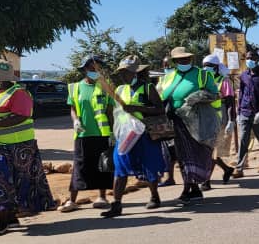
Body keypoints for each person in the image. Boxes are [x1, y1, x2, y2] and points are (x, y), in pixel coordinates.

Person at [0, 58, 56, 234]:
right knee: (2, 183)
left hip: (18, 147)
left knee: (7, 184)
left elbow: (20, 117)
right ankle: (11, 219)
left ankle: (3, 221)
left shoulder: (19, 93)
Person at [101, 57, 165, 217]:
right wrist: (112, 132)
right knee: (120, 166)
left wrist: (135, 108)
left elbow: (160, 109)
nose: (123, 76)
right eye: (121, 72)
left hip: (144, 134)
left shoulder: (147, 88)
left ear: (135, 72)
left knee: (149, 165)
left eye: (126, 72)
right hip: (125, 134)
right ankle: (116, 204)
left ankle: (154, 195)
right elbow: (114, 112)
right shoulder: (120, 90)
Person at [159, 46, 220, 204]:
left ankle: (189, 188)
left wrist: (197, 97)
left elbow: (214, 94)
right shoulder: (168, 77)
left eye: (186, 58)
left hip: (196, 122)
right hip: (176, 121)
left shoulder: (202, 74)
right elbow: (162, 95)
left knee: (195, 153)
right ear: (175, 61)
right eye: (180, 60)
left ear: (191, 59)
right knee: (182, 155)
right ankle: (193, 188)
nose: (184, 61)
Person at [59, 55, 114, 213]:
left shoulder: (106, 86)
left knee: (102, 165)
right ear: (84, 70)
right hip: (83, 134)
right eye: (91, 68)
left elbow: (110, 112)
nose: (94, 71)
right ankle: (72, 200)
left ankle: (102, 197)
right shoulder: (75, 87)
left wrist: (113, 132)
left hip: (102, 133)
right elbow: (73, 108)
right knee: (80, 165)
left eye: (97, 69)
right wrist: (75, 120)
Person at [234, 49, 259, 178]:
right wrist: (238, 110)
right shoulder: (244, 75)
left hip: (258, 112)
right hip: (245, 111)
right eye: (247, 58)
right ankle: (239, 167)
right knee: (243, 140)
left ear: (257, 60)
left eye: (252, 58)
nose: (249, 60)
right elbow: (241, 93)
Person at [199, 54, 236, 189]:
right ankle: (227, 169)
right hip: (205, 119)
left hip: (219, 119)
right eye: (205, 66)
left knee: (213, 151)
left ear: (216, 67)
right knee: (207, 151)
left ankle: (206, 181)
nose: (206, 69)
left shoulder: (224, 80)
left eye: (209, 66)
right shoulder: (202, 80)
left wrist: (231, 120)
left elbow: (231, 102)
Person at [157, 56, 179, 187]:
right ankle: (168, 177)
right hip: (164, 116)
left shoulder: (178, 77)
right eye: (165, 65)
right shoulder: (161, 79)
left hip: (177, 115)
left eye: (169, 65)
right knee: (167, 149)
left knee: (176, 148)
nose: (167, 68)